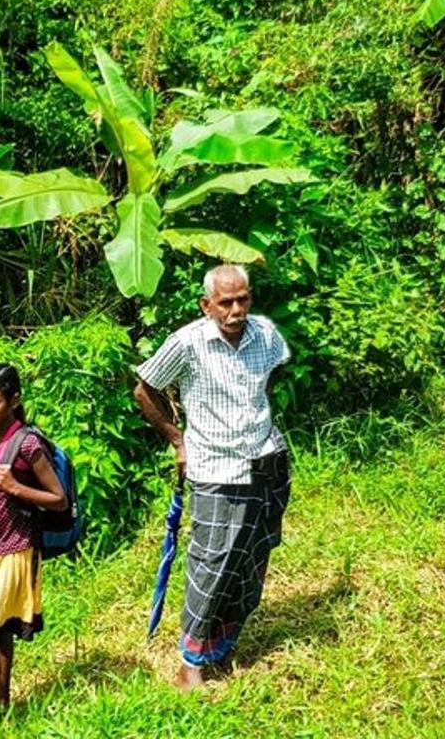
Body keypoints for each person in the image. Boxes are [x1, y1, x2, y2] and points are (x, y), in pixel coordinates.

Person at [133, 264, 292, 691]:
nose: (236, 309)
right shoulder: (187, 343)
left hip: (265, 459)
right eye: (226, 302)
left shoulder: (266, 335)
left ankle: (221, 646)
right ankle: (191, 664)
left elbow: (272, 376)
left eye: (243, 299)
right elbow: (144, 389)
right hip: (216, 469)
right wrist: (178, 440)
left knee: (252, 556)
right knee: (212, 562)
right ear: (207, 305)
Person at [0, 364, 67, 724]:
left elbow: (59, 499)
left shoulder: (28, 445)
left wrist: (16, 488)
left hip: (16, 547)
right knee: (0, 629)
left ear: (14, 401)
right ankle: (3, 705)